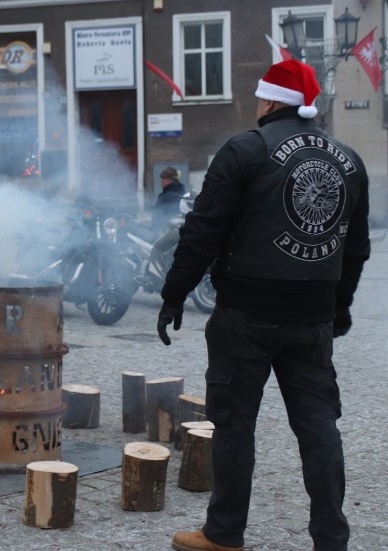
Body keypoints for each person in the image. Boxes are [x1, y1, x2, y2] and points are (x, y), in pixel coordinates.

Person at [158, 59, 369, 551]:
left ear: (271, 100)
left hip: (245, 314)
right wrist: (339, 308)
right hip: (312, 317)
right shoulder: (348, 159)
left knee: (234, 425)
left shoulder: (244, 150)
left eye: (259, 98)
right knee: (319, 426)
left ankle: (225, 533)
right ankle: (331, 538)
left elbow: (202, 231)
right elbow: (355, 249)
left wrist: (174, 293)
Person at [151, 166, 187, 232]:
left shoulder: (169, 196)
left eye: (163, 178)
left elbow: (163, 217)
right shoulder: (181, 192)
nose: (161, 181)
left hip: (164, 234)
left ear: (171, 179)